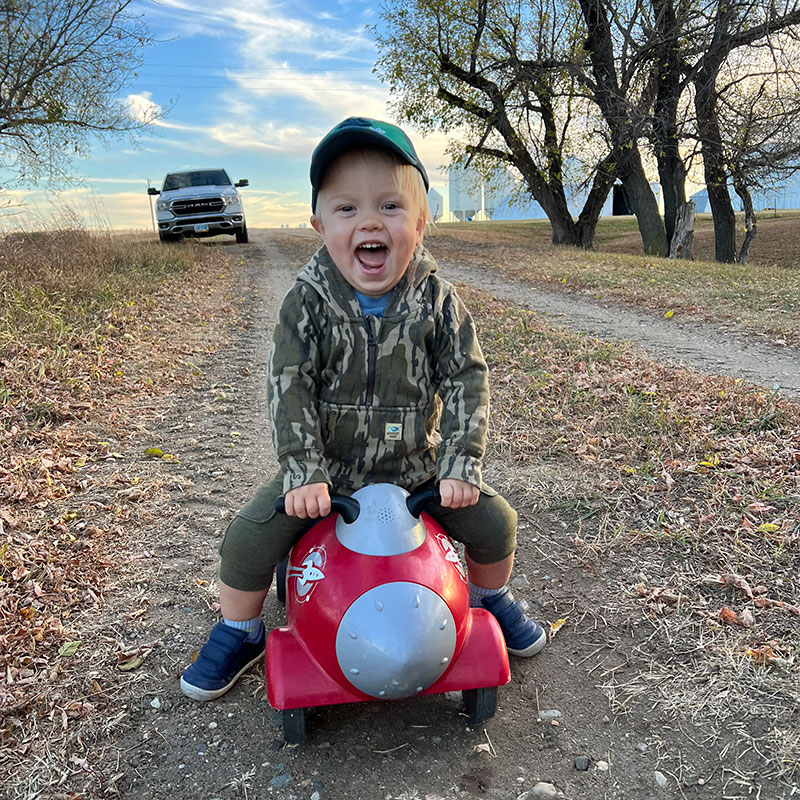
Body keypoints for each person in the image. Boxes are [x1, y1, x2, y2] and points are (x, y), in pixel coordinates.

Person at [180, 117, 546, 702]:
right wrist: (303, 472)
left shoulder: (437, 300)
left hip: (414, 466)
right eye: (347, 209)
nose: (369, 222)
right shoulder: (307, 300)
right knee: (247, 540)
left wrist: (459, 462)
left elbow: (465, 377)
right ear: (319, 224)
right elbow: (289, 383)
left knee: (495, 523)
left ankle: (489, 599)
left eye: (390, 206)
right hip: (329, 469)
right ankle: (240, 630)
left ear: (421, 223)